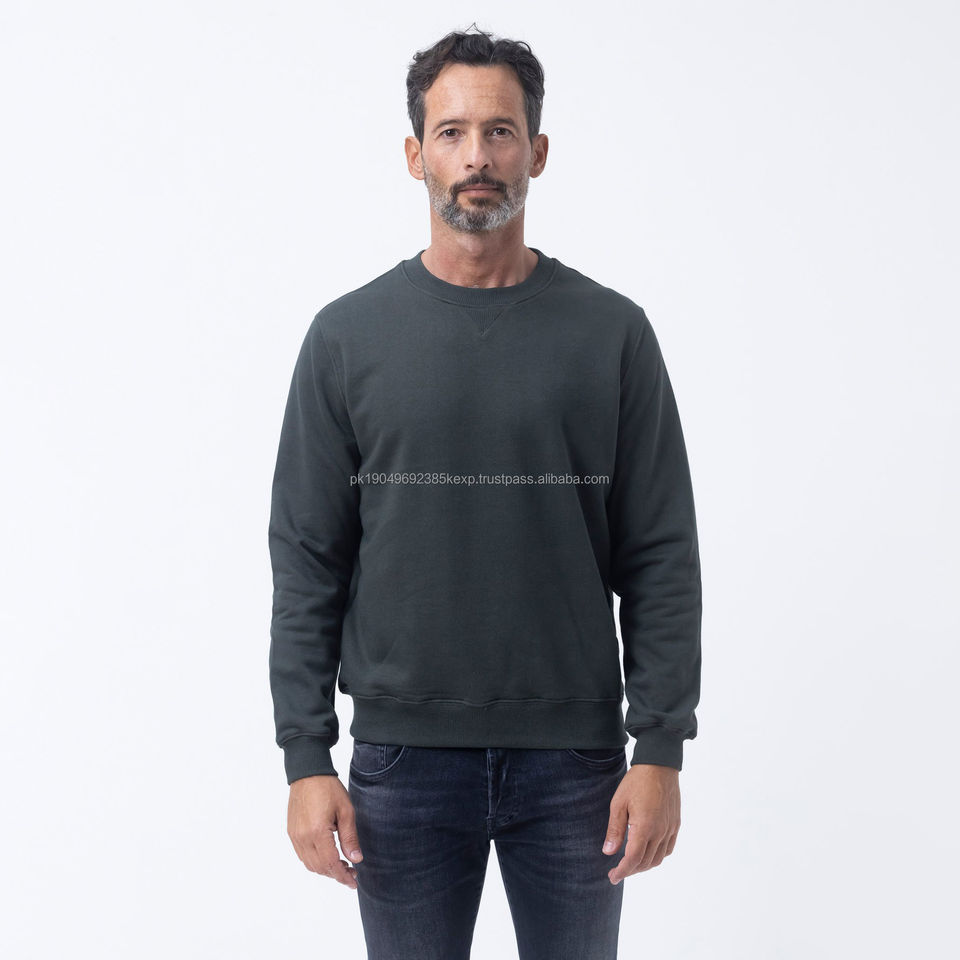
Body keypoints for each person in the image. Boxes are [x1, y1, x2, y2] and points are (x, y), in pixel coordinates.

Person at [268, 25, 702, 960]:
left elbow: (660, 552)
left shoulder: (613, 335)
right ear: (415, 154)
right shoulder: (345, 339)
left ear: (536, 153)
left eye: (500, 132)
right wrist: (306, 755)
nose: (477, 156)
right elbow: (307, 558)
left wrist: (661, 747)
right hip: (401, 763)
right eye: (453, 132)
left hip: (577, 766)